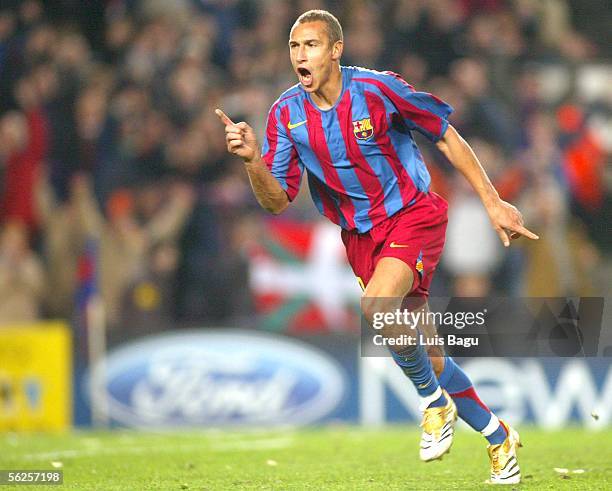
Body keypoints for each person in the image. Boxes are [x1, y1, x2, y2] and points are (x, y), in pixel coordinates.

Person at [216, 9, 538, 485]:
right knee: (428, 355)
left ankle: (432, 405)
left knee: (376, 306)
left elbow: (446, 136)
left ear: (336, 50)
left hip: (413, 214)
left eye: (310, 45)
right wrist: (251, 162)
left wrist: (492, 202)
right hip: (361, 237)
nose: (300, 55)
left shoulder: (378, 90)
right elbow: (277, 200)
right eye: (293, 46)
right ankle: (498, 437)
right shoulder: (286, 113)